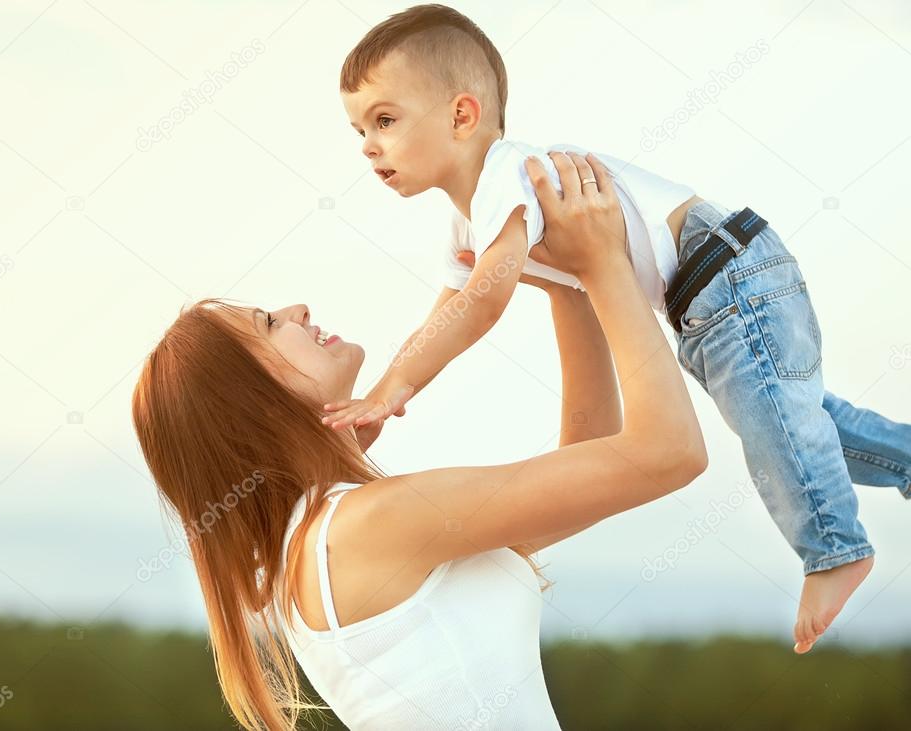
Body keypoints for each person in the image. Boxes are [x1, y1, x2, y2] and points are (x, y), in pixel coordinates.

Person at [328, 3, 911, 655]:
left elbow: (480, 302)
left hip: (722, 271)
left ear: (461, 116)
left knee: (775, 423)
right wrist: (383, 388)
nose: (368, 145)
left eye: (384, 120)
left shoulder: (504, 175)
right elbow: (444, 311)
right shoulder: (471, 221)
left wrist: (395, 388)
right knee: (796, 419)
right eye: (358, 130)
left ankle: (833, 549)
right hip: (706, 291)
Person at [131, 151, 706, 730]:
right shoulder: (363, 527)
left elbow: (593, 464)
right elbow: (668, 452)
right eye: (267, 324)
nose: (296, 309)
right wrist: (605, 261)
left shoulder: (322, 541)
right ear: (248, 404)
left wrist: (571, 291)